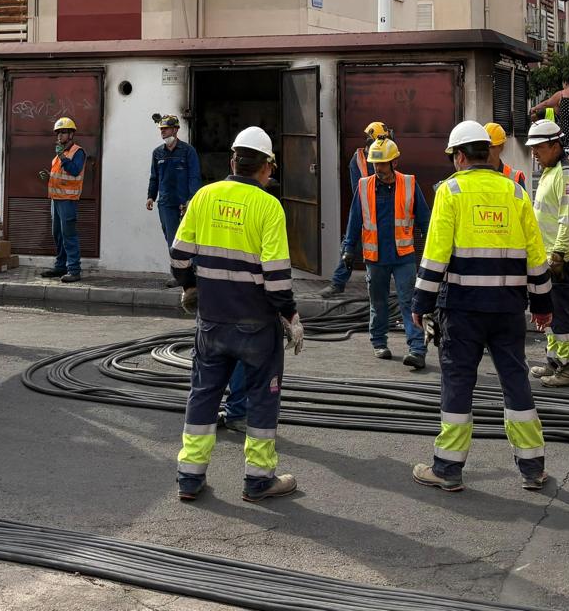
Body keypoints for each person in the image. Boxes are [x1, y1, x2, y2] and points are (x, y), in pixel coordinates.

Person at [409, 120, 553, 493]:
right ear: (487, 153)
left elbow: (436, 253)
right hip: (507, 308)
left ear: (459, 156)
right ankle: (532, 468)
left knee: (458, 384)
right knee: (515, 381)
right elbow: (537, 258)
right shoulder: (517, 193)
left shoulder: (451, 191)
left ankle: (448, 469)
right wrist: (542, 304)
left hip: (462, 308)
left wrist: (420, 302)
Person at [170, 126, 303, 503]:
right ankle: (258, 481)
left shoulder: (205, 196)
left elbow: (179, 256)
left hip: (211, 321)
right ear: (266, 168)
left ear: (233, 161)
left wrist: (190, 286)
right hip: (256, 327)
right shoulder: (268, 206)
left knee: (203, 396)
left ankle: (189, 477)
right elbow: (276, 278)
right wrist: (291, 317)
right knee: (262, 399)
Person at [342, 137, 431, 369]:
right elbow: (354, 221)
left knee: (409, 303)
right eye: (375, 164)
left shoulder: (410, 184)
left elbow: (425, 219)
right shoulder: (364, 186)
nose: (378, 168)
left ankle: (417, 349)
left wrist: (433, 250)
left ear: (395, 162)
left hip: (403, 257)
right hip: (376, 258)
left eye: (382, 164)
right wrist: (348, 249)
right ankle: (379, 341)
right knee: (378, 303)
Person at [526, 120, 569, 388]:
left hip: (562, 257)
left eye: (539, 147)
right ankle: (555, 362)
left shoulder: (566, 174)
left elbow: (568, 218)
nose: (534, 153)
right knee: (551, 311)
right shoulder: (550, 171)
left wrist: (558, 255)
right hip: (550, 255)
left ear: (555, 145)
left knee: (562, 312)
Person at [322, 121, 392, 296]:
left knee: (389, 245)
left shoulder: (387, 156)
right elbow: (358, 191)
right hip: (364, 207)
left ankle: (387, 285)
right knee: (350, 245)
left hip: (384, 208)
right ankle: (338, 283)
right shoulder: (359, 160)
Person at [38, 117, 86, 283]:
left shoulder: (77, 152)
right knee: (57, 234)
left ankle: (74, 270)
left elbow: (74, 170)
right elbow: (59, 177)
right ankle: (61, 267)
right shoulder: (59, 155)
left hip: (68, 200)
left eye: (63, 132)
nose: (59, 136)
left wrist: (62, 157)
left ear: (71, 134)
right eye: (58, 133)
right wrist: (48, 177)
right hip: (56, 199)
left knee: (69, 234)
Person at [147, 114, 202, 253]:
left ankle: (192, 271)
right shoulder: (157, 153)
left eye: (166, 128)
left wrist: (192, 199)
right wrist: (150, 196)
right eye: (161, 129)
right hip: (166, 204)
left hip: (185, 203)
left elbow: (194, 176)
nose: (162, 132)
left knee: (189, 239)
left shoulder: (188, 151)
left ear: (175, 129)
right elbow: (154, 177)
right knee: (171, 240)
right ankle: (178, 272)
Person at [530, 77, 569, 175]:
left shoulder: (561, 94)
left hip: (566, 126)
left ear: (565, 83)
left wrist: (535, 107)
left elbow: (547, 103)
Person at [484, 123, 529, 193]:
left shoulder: (515, 177)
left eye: (491, 147)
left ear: (501, 147)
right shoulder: (474, 176)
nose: (486, 151)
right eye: (483, 147)